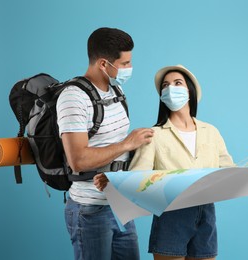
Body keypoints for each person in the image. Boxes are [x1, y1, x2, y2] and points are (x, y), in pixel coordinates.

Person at [95, 64, 235, 260]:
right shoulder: (153, 135)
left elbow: (230, 172)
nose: (171, 89)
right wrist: (113, 180)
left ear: (190, 91)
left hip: (206, 213)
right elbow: (137, 177)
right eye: (165, 86)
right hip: (172, 215)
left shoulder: (211, 132)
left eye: (177, 83)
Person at [57, 27, 154, 260]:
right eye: (125, 63)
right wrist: (127, 145)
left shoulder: (116, 90)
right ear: (103, 64)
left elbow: (113, 141)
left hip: (120, 203)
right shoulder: (73, 97)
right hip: (90, 209)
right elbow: (78, 160)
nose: (129, 69)